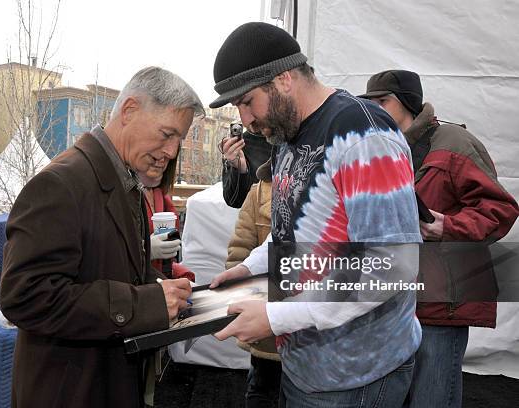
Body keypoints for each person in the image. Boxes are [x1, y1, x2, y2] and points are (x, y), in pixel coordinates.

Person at [209, 22, 422, 407]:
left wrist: (277, 318)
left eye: (247, 101)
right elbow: (291, 226)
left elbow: (392, 266)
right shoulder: (288, 135)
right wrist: (253, 266)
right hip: (307, 367)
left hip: (356, 376)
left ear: (284, 79)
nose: (246, 119)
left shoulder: (363, 135)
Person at [0, 66, 204, 408]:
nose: (171, 152)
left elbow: (105, 266)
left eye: (178, 140)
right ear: (129, 111)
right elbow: (25, 296)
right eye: (167, 134)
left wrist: (163, 289)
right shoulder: (60, 184)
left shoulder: (126, 182)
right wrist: (149, 303)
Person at [359, 69, 519, 408]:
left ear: (408, 103)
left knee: (432, 398)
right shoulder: (379, 150)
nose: (375, 108)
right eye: (370, 102)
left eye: (382, 101)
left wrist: (447, 227)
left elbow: (500, 210)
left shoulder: (454, 143)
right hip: (393, 300)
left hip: (441, 303)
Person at [225, 158, 281, 408]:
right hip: (268, 338)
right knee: (262, 391)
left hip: (313, 338)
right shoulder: (259, 193)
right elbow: (240, 251)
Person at [139, 159, 195, 281]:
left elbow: (171, 252)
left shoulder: (160, 194)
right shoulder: (128, 192)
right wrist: (145, 250)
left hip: (160, 277)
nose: (160, 160)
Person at [221, 128, 272, 208]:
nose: (246, 120)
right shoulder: (240, 145)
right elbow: (233, 201)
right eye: (241, 114)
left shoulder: (294, 136)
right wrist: (240, 170)